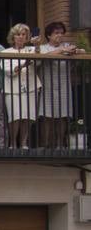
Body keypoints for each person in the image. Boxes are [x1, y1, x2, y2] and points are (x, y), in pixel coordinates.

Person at [38, 20, 84, 148]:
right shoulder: (43, 47)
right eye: (56, 33)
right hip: (48, 85)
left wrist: (76, 51)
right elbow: (45, 56)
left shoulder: (67, 45)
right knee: (47, 116)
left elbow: (82, 52)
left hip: (64, 85)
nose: (60, 35)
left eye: (61, 33)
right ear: (49, 35)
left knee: (63, 116)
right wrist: (62, 50)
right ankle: (45, 145)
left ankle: (60, 145)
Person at [2, 23, 41, 148]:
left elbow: (39, 62)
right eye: (18, 34)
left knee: (28, 117)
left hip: (31, 87)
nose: (21, 37)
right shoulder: (5, 52)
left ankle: (24, 143)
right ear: (13, 36)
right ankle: (12, 143)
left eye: (24, 34)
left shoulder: (31, 50)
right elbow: (9, 71)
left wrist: (37, 46)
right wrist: (25, 64)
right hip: (12, 89)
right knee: (15, 117)